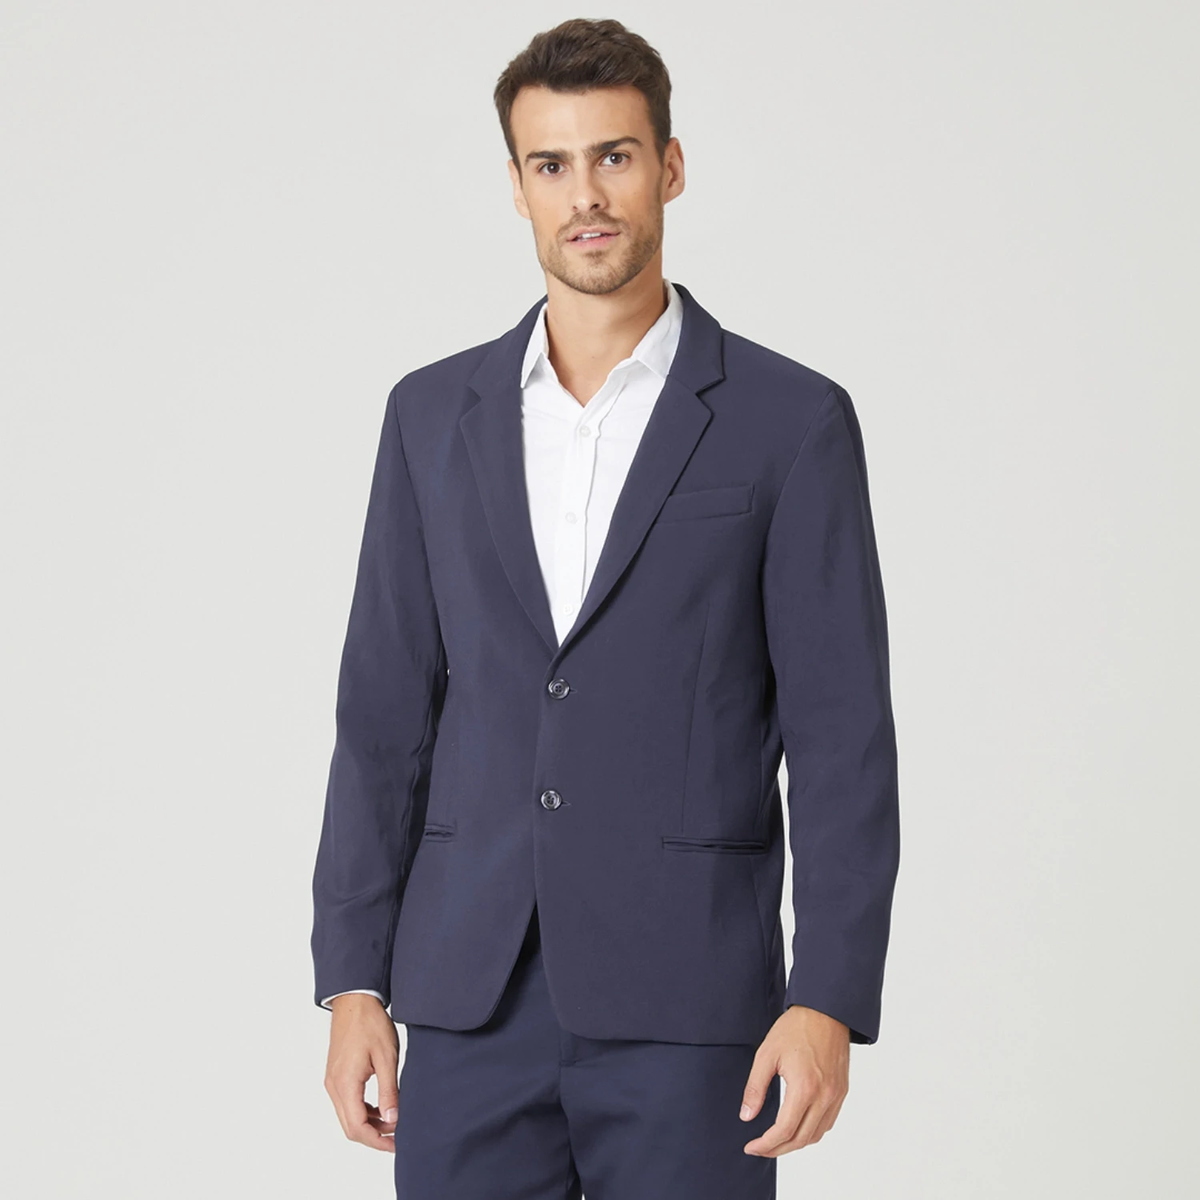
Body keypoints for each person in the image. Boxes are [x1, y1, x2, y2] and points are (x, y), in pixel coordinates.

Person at [311, 17, 900, 1198]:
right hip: (469, 999)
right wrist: (353, 978)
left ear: (669, 168)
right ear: (518, 188)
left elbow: (841, 735)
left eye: (614, 156)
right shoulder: (430, 418)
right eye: (552, 164)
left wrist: (827, 994)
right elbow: (384, 717)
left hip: (692, 1000)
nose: (585, 194)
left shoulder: (790, 422)